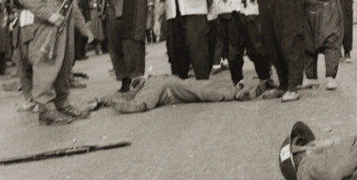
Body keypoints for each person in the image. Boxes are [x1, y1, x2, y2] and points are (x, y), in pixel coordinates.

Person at [82, 72, 264, 114]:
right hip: (170, 85)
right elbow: (135, 101)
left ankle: (238, 90)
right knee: (201, 88)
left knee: (201, 88)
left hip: (169, 84)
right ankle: (237, 91)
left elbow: (134, 101)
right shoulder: (148, 88)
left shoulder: (149, 86)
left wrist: (103, 101)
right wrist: (107, 102)